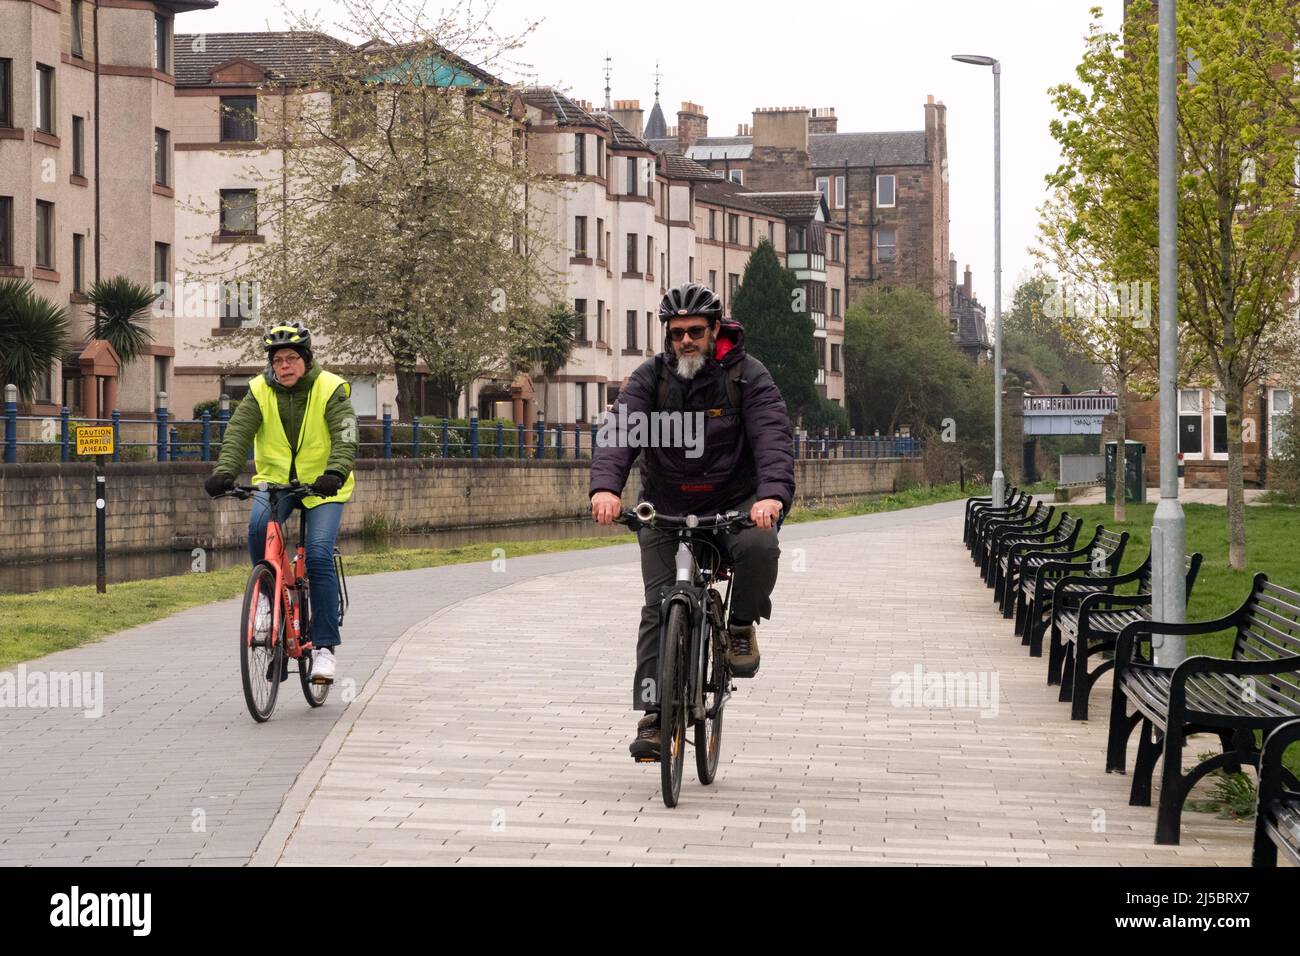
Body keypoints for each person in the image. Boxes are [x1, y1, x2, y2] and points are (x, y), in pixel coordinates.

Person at [590, 282, 794, 761]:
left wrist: (770, 498)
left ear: (715, 329)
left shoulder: (749, 378)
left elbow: (772, 440)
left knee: (761, 547)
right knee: (657, 606)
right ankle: (656, 716)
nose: (685, 340)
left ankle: (740, 626)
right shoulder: (650, 379)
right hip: (665, 508)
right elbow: (619, 431)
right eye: (676, 332)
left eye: (695, 331)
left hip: (733, 506)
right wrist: (605, 487)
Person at [203, 323, 357, 684]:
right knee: (258, 529)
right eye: (277, 360)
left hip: (324, 486)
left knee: (317, 555)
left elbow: (346, 434)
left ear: (306, 360)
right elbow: (239, 432)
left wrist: (335, 471)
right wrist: (225, 471)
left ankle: (323, 649)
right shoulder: (259, 390)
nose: (284, 366)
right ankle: (269, 607)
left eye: (291, 359)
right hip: (275, 484)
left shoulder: (330, 388)